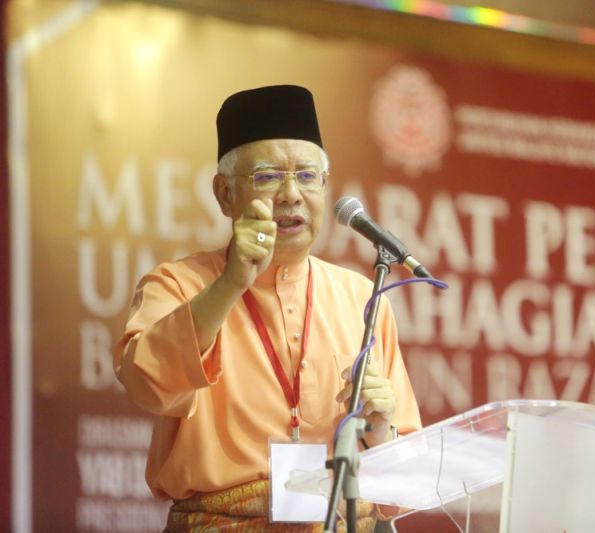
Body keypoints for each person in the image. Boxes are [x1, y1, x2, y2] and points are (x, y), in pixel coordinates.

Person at [114, 85, 422, 532]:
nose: (291, 194)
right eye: (268, 176)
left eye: (308, 176)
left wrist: (380, 428)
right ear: (224, 194)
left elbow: (407, 486)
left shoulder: (362, 298)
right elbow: (147, 384)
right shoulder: (177, 284)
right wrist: (231, 283)